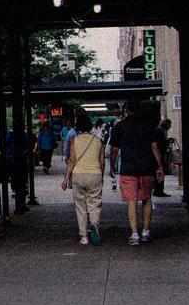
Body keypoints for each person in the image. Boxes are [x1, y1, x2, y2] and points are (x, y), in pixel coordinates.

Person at [108, 101, 165, 245]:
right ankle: (146, 231)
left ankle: (134, 235)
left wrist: (112, 165)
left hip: (128, 168)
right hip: (147, 167)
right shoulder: (149, 126)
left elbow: (114, 149)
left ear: (127, 110)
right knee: (147, 199)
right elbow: (154, 147)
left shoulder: (120, 127)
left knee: (131, 201)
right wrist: (159, 166)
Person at [62, 111, 105, 246]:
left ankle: (84, 236)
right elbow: (102, 161)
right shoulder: (98, 141)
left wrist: (66, 178)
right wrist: (101, 176)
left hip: (78, 175)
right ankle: (94, 225)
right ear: (90, 126)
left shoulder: (75, 141)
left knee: (80, 206)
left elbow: (72, 160)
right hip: (95, 174)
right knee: (95, 203)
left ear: (78, 127)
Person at [153, 118, 172, 197]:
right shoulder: (160, 131)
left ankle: (158, 190)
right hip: (159, 154)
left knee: (159, 171)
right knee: (160, 171)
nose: (170, 127)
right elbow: (159, 143)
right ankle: (159, 190)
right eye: (169, 125)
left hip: (159, 154)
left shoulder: (158, 130)